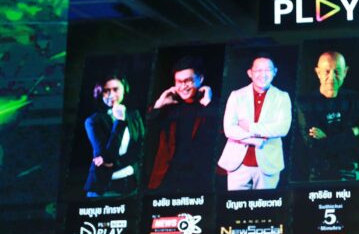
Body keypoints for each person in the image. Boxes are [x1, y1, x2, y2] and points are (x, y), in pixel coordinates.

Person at [218, 54, 291, 190]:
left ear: (275, 72)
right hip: (237, 164)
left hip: (269, 164)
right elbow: (229, 129)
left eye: (268, 70)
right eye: (258, 70)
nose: (263, 74)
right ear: (250, 73)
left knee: (265, 203)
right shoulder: (236, 95)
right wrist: (256, 140)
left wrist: (250, 127)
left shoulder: (282, 97)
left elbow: (282, 128)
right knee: (235, 203)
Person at [147, 56, 216, 192]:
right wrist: (158, 105)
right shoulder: (169, 106)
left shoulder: (212, 105)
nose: (183, 86)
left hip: (199, 180)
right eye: (178, 82)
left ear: (201, 79)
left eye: (188, 81)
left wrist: (208, 104)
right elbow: (145, 133)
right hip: (168, 178)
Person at [295, 51, 359, 182]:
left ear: (345, 72)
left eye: (337, 71)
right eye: (327, 71)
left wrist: (326, 138)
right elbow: (314, 145)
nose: (332, 77)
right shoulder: (305, 103)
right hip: (320, 176)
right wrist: (351, 133)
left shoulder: (354, 99)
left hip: (353, 173)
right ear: (318, 73)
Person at [83, 73, 145, 197]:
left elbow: (142, 149)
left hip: (132, 183)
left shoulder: (134, 115)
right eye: (106, 91)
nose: (111, 95)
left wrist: (113, 162)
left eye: (115, 89)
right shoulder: (93, 121)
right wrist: (119, 122)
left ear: (124, 90)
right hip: (104, 187)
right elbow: (107, 157)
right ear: (100, 93)